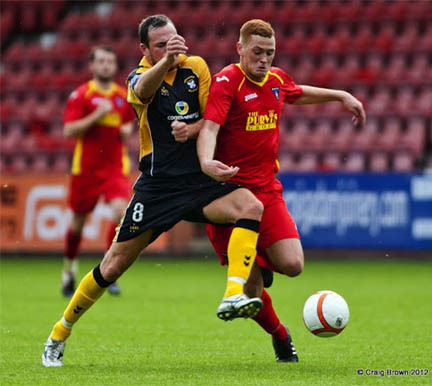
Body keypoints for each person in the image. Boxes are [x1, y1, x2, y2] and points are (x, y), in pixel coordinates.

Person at [42, 14, 265, 368]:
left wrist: (193, 132)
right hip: (158, 187)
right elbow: (144, 91)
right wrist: (164, 61)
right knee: (112, 267)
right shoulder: (138, 77)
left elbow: (211, 118)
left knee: (250, 207)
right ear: (144, 50)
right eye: (160, 44)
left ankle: (233, 293)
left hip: (199, 180)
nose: (171, 47)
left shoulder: (196, 68)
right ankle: (59, 332)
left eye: (173, 40)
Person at [197, 19, 366, 362]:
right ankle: (280, 335)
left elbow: (296, 92)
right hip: (228, 195)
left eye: (270, 53)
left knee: (293, 265)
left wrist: (340, 95)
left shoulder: (275, 79)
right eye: (257, 52)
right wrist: (205, 162)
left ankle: (259, 257)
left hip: (266, 192)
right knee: (252, 291)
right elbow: (210, 128)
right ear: (240, 49)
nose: (264, 59)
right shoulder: (227, 82)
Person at [61, 46, 136, 297]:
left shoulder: (121, 96)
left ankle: (108, 271)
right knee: (78, 223)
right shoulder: (82, 95)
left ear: (114, 66)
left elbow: (129, 121)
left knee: (120, 213)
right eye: (101, 61)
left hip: (114, 166)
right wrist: (96, 115)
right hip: (86, 169)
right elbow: (69, 130)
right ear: (92, 66)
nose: (105, 66)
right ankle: (69, 271)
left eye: (110, 62)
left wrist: (127, 129)